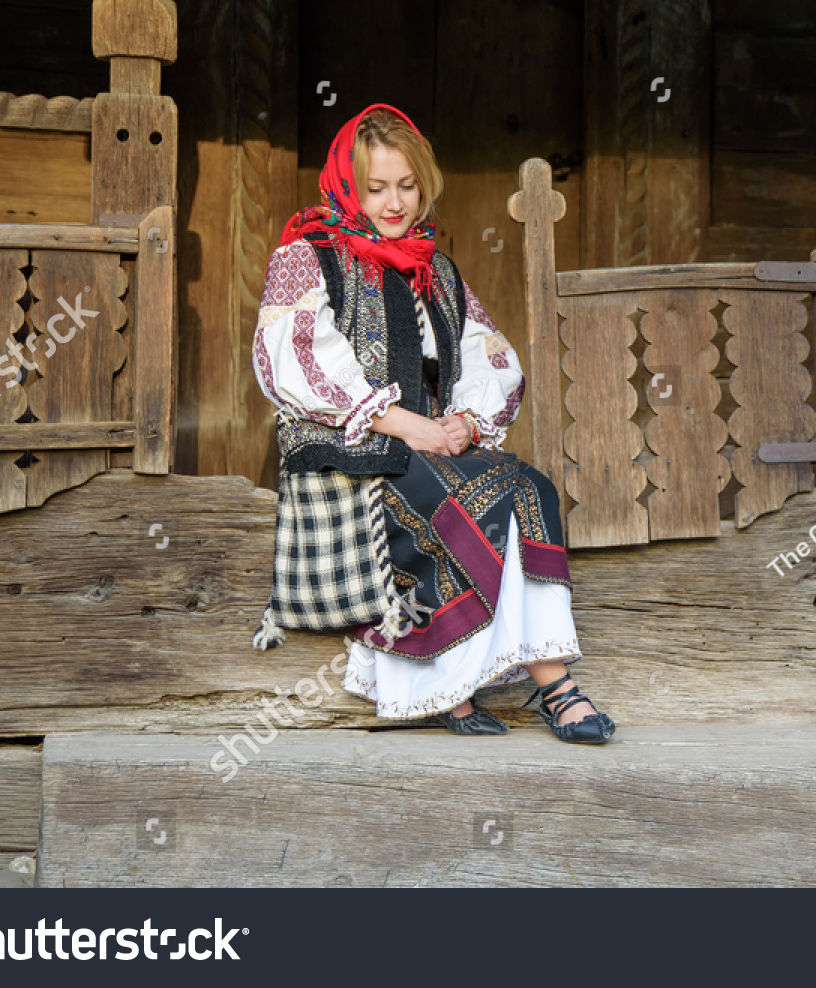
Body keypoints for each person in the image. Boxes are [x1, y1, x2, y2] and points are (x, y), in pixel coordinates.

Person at [249, 102, 613, 744]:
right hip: (348, 446)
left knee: (528, 487)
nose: (394, 203)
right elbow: (295, 360)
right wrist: (406, 425)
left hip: (429, 445)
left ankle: (521, 678)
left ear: (425, 183)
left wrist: (467, 423)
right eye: (376, 188)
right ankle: (523, 684)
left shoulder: (436, 272)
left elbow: (489, 355)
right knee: (460, 499)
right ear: (347, 186)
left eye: (407, 185)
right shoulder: (309, 256)